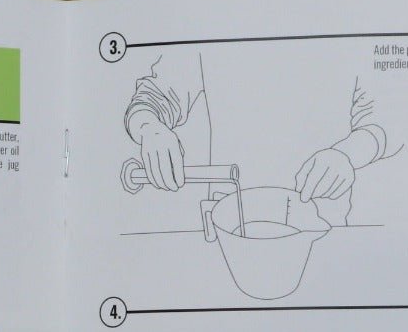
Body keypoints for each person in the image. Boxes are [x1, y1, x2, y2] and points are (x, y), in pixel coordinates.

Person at [124, 56, 393, 226]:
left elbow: (387, 117)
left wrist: (348, 154)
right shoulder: (213, 21)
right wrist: (150, 128)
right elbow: (154, 95)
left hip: (323, 225)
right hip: (229, 225)